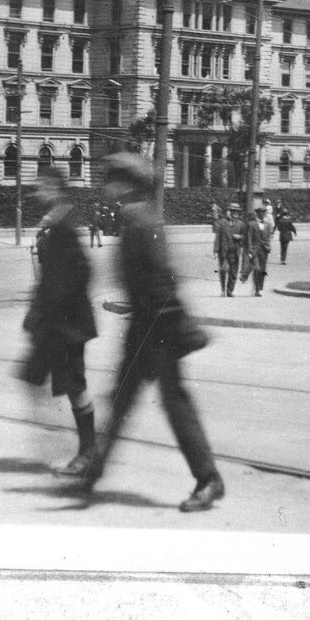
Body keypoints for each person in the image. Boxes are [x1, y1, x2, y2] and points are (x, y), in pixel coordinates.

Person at [79, 153, 222, 512]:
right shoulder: (135, 219)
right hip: (144, 327)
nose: (107, 187)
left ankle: (208, 480)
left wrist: (172, 322)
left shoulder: (142, 221)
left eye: (112, 180)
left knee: (174, 405)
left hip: (158, 329)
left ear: (127, 184)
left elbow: (162, 276)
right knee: (122, 400)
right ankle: (92, 472)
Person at [16, 169, 100, 477]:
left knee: (75, 387)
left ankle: (87, 451)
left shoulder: (65, 225)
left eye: (42, 187)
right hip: (53, 326)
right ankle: (59, 443)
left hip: (66, 327)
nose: (38, 192)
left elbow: (83, 272)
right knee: (33, 378)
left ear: (54, 189)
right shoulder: (54, 223)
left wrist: (59, 310)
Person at [214, 203, 246, 296]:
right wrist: (215, 250)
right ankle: (223, 289)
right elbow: (218, 237)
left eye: (238, 212)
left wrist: (240, 237)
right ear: (230, 212)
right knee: (223, 270)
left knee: (233, 272)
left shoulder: (241, 224)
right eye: (234, 211)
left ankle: (230, 290)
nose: (236, 213)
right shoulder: (222, 222)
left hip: (235, 252)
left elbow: (245, 236)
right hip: (224, 252)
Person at [245, 203, 273, 295]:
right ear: (257, 213)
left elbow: (269, 236)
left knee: (262, 270)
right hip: (255, 250)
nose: (262, 214)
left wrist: (268, 245)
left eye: (264, 212)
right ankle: (256, 288)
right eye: (260, 212)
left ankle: (258, 288)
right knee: (257, 268)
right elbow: (249, 238)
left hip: (264, 249)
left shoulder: (268, 224)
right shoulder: (252, 224)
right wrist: (249, 250)